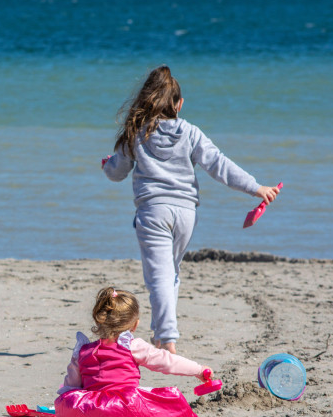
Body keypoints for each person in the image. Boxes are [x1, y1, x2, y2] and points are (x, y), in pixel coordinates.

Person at [103, 65, 280, 354]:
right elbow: (219, 165)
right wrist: (256, 187)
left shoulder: (136, 131)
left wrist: (107, 164)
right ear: (178, 104)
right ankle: (162, 336)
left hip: (153, 211)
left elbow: (116, 172)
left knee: (158, 275)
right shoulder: (191, 132)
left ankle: (167, 339)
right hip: (186, 213)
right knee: (170, 272)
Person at [54, 287, 221, 417]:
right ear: (134, 325)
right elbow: (167, 361)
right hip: (126, 408)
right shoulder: (131, 345)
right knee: (169, 399)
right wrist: (199, 370)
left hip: (91, 415)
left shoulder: (83, 350)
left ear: (98, 320)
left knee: (68, 398)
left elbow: (70, 387)